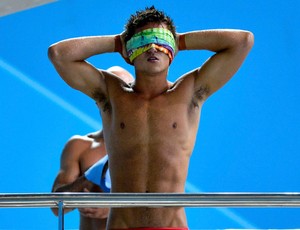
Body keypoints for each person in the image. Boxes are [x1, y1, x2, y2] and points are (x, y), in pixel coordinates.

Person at [48, 5, 254, 230]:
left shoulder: (190, 92)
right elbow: (59, 54)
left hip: (171, 226)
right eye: (143, 41)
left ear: (172, 50)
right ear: (130, 51)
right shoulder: (111, 94)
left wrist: (181, 41)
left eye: (161, 39)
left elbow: (242, 41)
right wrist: (118, 43)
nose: (153, 47)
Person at [51, 67, 134, 230]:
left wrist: (111, 207)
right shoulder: (80, 146)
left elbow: (160, 204)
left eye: (127, 92)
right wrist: (88, 178)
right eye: (112, 93)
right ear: (99, 100)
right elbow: (56, 206)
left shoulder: (147, 148)